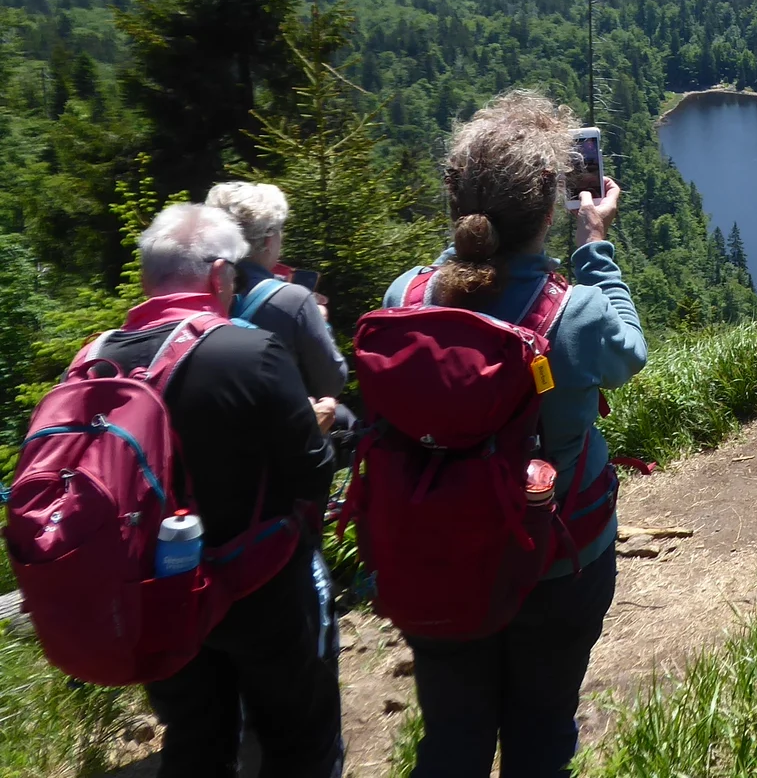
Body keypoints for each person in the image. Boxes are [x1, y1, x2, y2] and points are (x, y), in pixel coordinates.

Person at [383, 90, 646, 778]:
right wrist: (596, 246)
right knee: (540, 730)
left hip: (436, 555)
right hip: (555, 559)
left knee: (451, 739)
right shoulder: (575, 312)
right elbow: (630, 355)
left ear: (456, 203)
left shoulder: (403, 298)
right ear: (552, 208)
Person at [98, 203, 341, 778]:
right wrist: (321, 427)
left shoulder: (100, 357)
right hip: (258, 589)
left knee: (195, 740)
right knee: (296, 742)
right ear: (218, 276)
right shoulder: (250, 353)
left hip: (158, 596)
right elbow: (311, 474)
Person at [205, 180, 350, 407]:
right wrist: (322, 322)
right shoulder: (293, 299)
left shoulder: (194, 285)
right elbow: (331, 382)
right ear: (268, 241)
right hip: (276, 430)